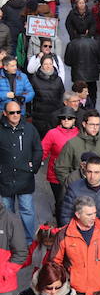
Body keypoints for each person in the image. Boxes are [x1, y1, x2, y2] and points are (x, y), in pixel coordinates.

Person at [0, 100, 42, 241]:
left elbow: (38, 149)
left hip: (25, 178)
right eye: (12, 112)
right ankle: (10, 240)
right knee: (7, 212)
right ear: (5, 113)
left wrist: (33, 167)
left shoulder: (30, 129)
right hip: (5, 178)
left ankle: (29, 241)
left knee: (27, 211)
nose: (16, 115)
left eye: (18, 112)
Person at [59, 155, 100, 233]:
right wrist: (75, 236)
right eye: (89, 172)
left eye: (96, 172)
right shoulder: (74, 189)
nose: (92, 176)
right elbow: (65, 216)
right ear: (85, 171)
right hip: (79, 234)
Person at [53, 110, 100, 186]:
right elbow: (61, 168)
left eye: (98, 125)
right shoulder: (72, 143)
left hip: (99, 189)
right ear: (84, 124)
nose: (95, 128)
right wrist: (70, 185)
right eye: (92, 124)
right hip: (77, 191)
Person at [42, 108, 79, 218]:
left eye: (70, 118)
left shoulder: (80, 134)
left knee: (75, 203)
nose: (66, 120)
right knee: (61, 203)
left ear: (74, 120)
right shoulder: (52, 133)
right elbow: (43, 151)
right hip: (56, 175)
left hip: (75, 174)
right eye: (63, 118)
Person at [28, 54, 65, 137]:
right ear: (41, 65)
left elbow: (62, 95)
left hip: (55, 114)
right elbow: (30, 97)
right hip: (39, 115)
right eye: (45, 64)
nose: (48, 66)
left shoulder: (58, 79)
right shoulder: (34, 79)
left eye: (50, 64)